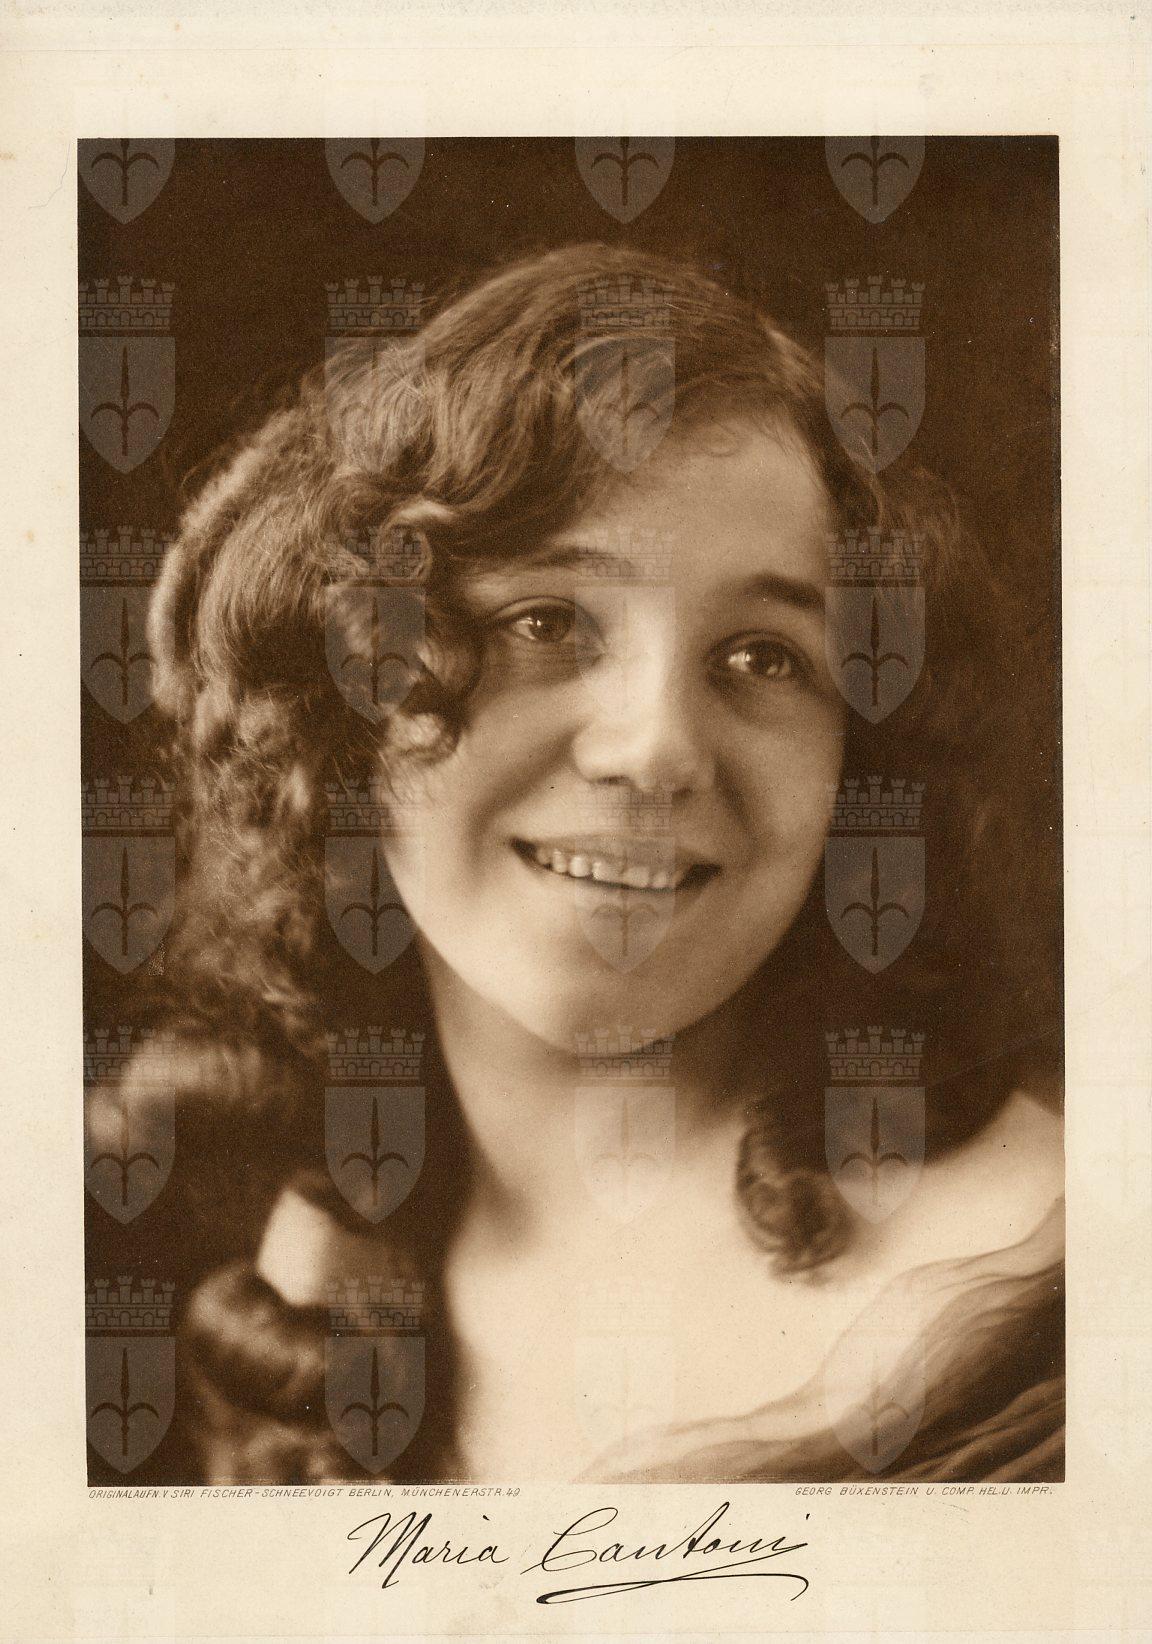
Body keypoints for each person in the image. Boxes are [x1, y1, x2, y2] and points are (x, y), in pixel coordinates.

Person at [103, 242, 1064, 1484]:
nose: (656, 747)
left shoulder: (1054, 1326)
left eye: (766, 656)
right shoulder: (246, 1254)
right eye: (543, 621)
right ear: (340, 705)